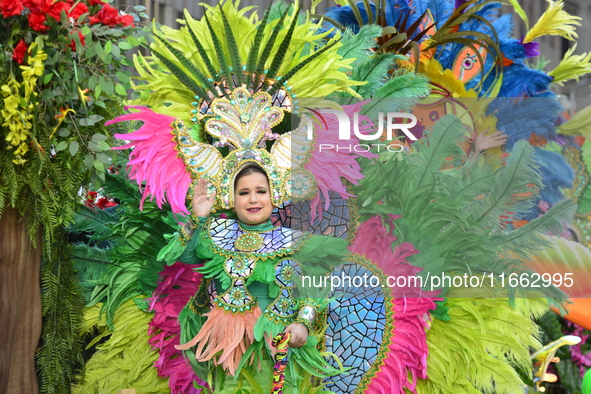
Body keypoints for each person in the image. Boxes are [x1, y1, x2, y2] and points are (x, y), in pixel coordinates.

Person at [172, 165, 346, 393]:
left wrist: (303, 323)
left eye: (261, 191)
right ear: (231, 198)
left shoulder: (294, 241)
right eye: (243, 193)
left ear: (274, 195)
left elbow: (314, 289)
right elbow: (184, 255)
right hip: (227, 347)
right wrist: (198, 219)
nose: (253, 199)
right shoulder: (216, 233)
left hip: (278, 345)